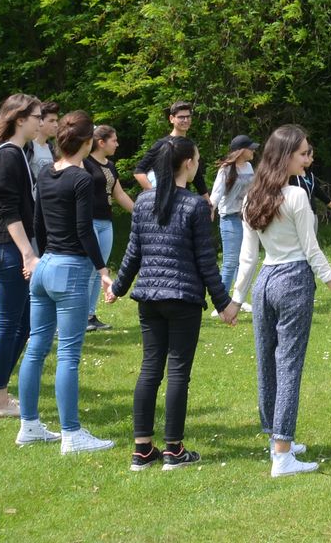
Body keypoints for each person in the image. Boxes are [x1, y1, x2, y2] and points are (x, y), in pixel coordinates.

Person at [232, 124, 331, 477]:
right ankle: (283, 454)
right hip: (292, 281)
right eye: (303, 153)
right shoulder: (296, 197)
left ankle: (277, 439)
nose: (308, 159)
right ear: (285, 156)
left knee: (267, 364)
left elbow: (248, 257)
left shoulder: (252, 197)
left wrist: (235, 299)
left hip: (264, 283)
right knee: (288, 366)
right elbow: (312, 251)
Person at [109, 136, 240, 471]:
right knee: (178, 371)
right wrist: (224, 303)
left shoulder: (143, 201)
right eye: (196, 159)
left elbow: (133, 253)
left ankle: (142, 450)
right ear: (187, 164)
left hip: (149, 297)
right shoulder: (196, 206)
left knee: (150, 369)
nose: (198, 164)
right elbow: (205, 261)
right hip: (182, 298)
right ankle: (173, 450)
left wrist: (119, 288)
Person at [16, 110, 116, 454]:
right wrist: (102, 270)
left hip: (45, 266)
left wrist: (41, 256)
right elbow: (84, 230)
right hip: (70, 269)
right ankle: (71, 434)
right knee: (68, 355)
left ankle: (29, 425)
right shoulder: (82, 179)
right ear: (88, 142)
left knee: (36, 348)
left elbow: (38, 223)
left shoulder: (46, 172)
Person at [0, 94, 44, 420]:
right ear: (20, 119)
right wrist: (28, 253)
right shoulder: (8, 155)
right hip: (7, 247)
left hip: (6, 246)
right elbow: (8, 210)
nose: (40, 122)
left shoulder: (15, 152)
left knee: (25, 322)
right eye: (37, 116)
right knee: (9, 323)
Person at [82, 124, 131, 335]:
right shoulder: (84, 163)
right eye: (114, 140)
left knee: (99, 271)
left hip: (106, 222)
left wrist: (140, 212)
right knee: (88, 269)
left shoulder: (110, 166)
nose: (117, 144)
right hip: (89, 221)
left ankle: (90, 315)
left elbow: (119, 194)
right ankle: (79, 316)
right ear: (101, 143)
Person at [210, 136, 257, 307]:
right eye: (250, 148)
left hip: (246, 218)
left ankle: (238, 300)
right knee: (230, 262)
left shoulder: (249, 167)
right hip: (230, 218)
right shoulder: (226, 169)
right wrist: (210, 209)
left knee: (243, 261)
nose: (253, 151)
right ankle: (222, 303)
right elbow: (216, 193)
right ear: (241, 150)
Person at [133, 101, 194, 191]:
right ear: (171, 119)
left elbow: (197, 178)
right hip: (166, 197)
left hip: (184, 196)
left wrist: (207, 199)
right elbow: (139, 171)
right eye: (181, 117)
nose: (185, 120)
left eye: (188, 117)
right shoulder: (162, 144)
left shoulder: (191, 144)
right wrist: (154, 192)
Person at [29, 101, 60, 182]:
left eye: (56, 120)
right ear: (40, 121)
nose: (56, 125)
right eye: (51, 121)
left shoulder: (52, 149)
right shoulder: (28, 147)